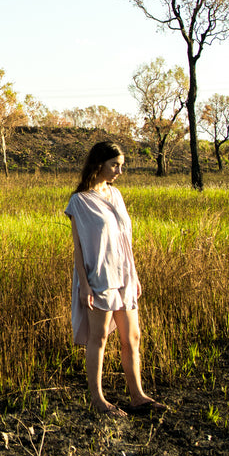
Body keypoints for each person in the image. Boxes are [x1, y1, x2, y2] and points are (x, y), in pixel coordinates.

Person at [64, 141, 165, 417]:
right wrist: (84, 285)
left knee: (132, 336)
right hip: (100, 277)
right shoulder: (79, 201)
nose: (120, 170)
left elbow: (124, 238)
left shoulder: (116, 194)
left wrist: (135, 274)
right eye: (114, 165)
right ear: (99, 165)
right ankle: (97, 399)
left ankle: (138, 396)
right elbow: (79, 248)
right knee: (98, 338)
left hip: (125, 275)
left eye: (121, 165)